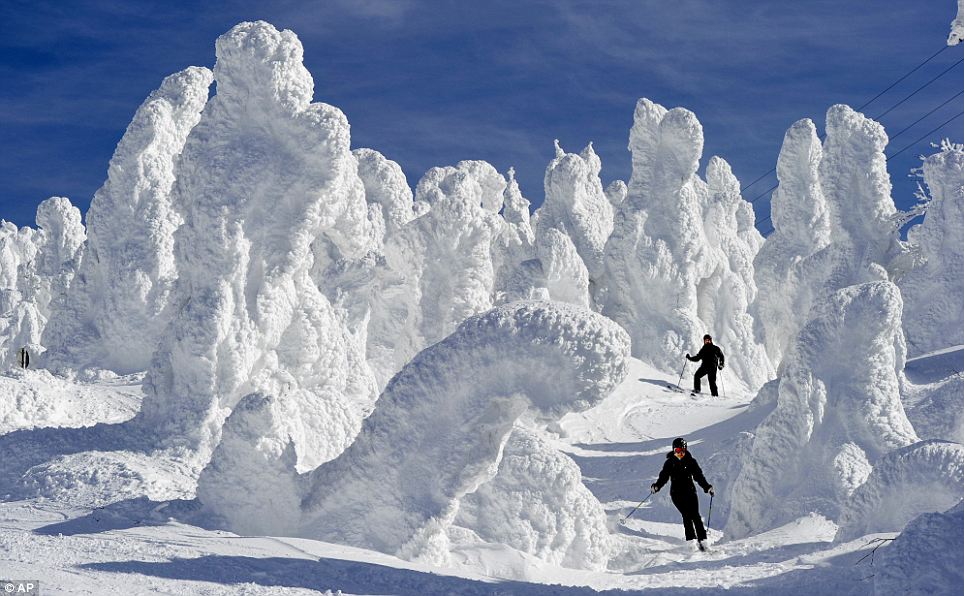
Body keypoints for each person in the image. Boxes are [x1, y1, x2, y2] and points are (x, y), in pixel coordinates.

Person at [651, 437, 714, 551]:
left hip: (690, 492)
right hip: (677, 494)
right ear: (673, 450)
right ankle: (691, 542)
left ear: (686, 450)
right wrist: (657, 486)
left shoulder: (691, 461)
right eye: (677, 451)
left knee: (695, 515)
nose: (680, 453)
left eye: (682, 450)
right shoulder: (670, 463)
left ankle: (703, 541)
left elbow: (698, 476)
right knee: (687, 516)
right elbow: (663, 477)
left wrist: (707, 487)